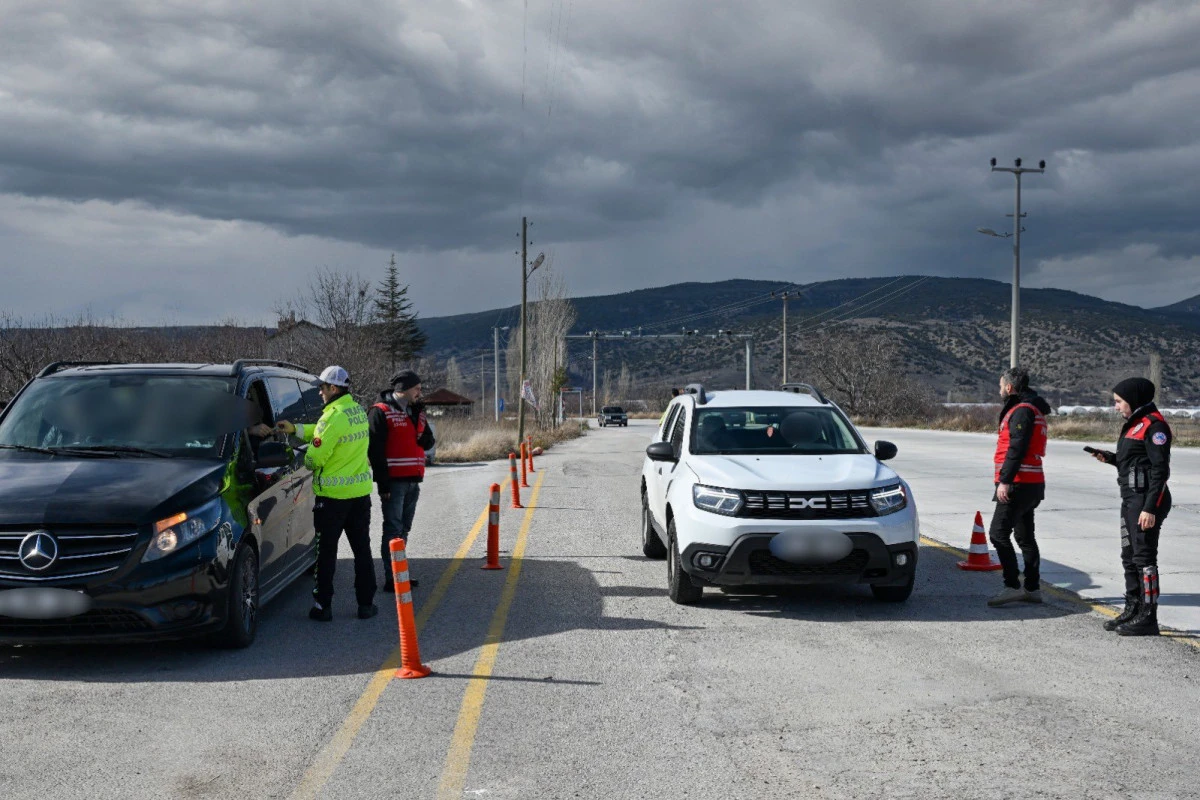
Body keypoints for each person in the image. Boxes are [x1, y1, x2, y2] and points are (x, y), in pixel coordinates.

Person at [276, 366, 377, 622]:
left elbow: (315, 458)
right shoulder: (356, 411)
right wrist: (295, 429)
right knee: (362, 550)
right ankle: (366, 604)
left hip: (332, 500)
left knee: (326, 554)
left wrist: (305, 453)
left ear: (333, 388)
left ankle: (323, 606)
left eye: (322, 388)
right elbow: (325, 433)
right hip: (359, 496)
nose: (320, 392)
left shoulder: (331, 417)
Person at [1088, 377, 1171, 636]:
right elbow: (1135, 462)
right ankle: (1133, 608)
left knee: (1144, 559)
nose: (1116, 407)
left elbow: (1160, 471)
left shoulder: (1155, 426)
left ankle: (1148, 616)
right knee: (1129, 557)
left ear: (1133, 400)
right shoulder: (1134, 424)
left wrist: (1150, 508)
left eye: (1119, 401)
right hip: (1131, 500)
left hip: (1147, 501)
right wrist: (1110, 458)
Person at [987, 367, 1051, 607]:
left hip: (1018, 483)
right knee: (1025, 537)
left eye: (1000, 386)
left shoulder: (1022, 411)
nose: (999, 390)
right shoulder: (1033, 408)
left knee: (998, 533)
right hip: (1031, 483)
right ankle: (1032, 588)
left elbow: (1017, 448)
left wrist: (1005, 481)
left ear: (1009, 387)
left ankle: (1012, 585)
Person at [368, 369, 434, 591]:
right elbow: (375, 451)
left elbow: (428, 442)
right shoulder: (381, 411)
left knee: (404, 528)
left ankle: (400, 573)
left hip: (414, 480)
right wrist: (382, 483)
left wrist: (421, 429)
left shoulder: (416, 410)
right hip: (394, 482)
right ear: (403, 389)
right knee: (393, 529)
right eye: (417, 389)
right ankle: (392, 578)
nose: (419, 393)